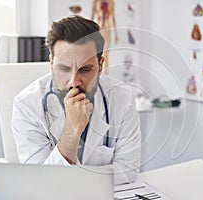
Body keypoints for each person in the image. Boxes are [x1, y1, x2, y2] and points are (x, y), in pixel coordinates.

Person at [11, 15, 141, 185]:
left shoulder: (122, 98)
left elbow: (128, 170)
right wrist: (72, 130)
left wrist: (76, 182)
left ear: (101, 65)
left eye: (85, 69)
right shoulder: (27, 105)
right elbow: (41, 182)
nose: (73, 81)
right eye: (64, 68)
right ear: (51, 63)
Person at [91, 0, 118, 74]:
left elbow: (113, 18)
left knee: (106, 54)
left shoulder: (111, 2)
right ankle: (96, 76)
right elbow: (92, 18)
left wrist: (116, 34)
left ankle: (106, 77)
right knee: (97, 53)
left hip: (107, 29)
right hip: (98, 30)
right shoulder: (95, 2)